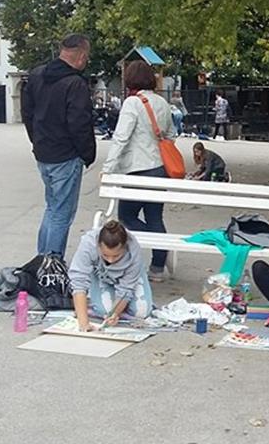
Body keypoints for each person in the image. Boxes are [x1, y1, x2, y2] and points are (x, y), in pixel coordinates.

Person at [21, 34, 96, 259]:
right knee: (62, 214)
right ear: (81, 56)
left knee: (52, 208)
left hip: (44, 151)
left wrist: (36, 140)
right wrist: (87, 154)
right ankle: (51, 264)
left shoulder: (37, 75)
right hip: (66, 155)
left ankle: (42, 259)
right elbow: (79, 123)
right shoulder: (75, 84)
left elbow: (27, 113)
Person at [102, 60, 175, 281]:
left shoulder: (132, 103)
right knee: (155, 218)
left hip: (137, 169)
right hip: (159, 168)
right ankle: (158, 266)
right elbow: (171, 135)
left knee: (126, 217)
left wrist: (108, 168)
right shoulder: (162, 103)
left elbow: (121, 137)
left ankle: (157, 248)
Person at [69, 220, 153, 331]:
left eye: (116, 256)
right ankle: (95, 301)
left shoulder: (133, 250)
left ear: (124, 247)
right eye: (105, 255)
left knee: (142, 311)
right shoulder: (88, 244)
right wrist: (83, 323)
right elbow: (79, 281)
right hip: (100, 274)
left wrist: (115, 313)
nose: (110, 260)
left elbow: (126, 288)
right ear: (98, 246)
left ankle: (112, 305)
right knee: (104, 310)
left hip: (128, 279)